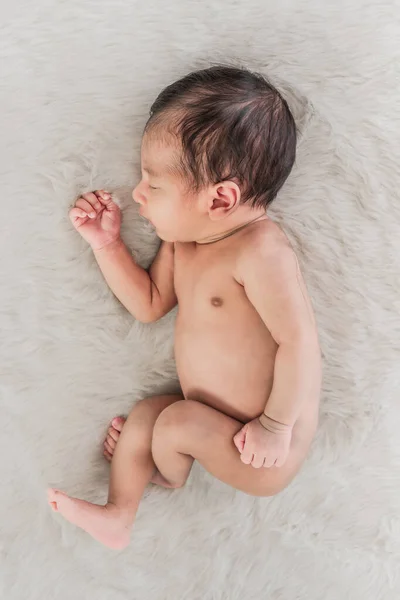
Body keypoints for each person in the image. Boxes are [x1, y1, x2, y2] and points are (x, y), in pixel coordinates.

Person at [48, 65, 321, 549]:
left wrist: (275, 427)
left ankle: (169, 469)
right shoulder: (184, 242)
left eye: (153, 185)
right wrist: (107, 245)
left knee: (173, 422)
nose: (137, 194)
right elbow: (149, 304)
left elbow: (298, 343)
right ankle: (120, 512)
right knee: (145, 419)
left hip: (263, 448)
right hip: (203, 421)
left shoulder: (259, 251)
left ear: (221, 199)